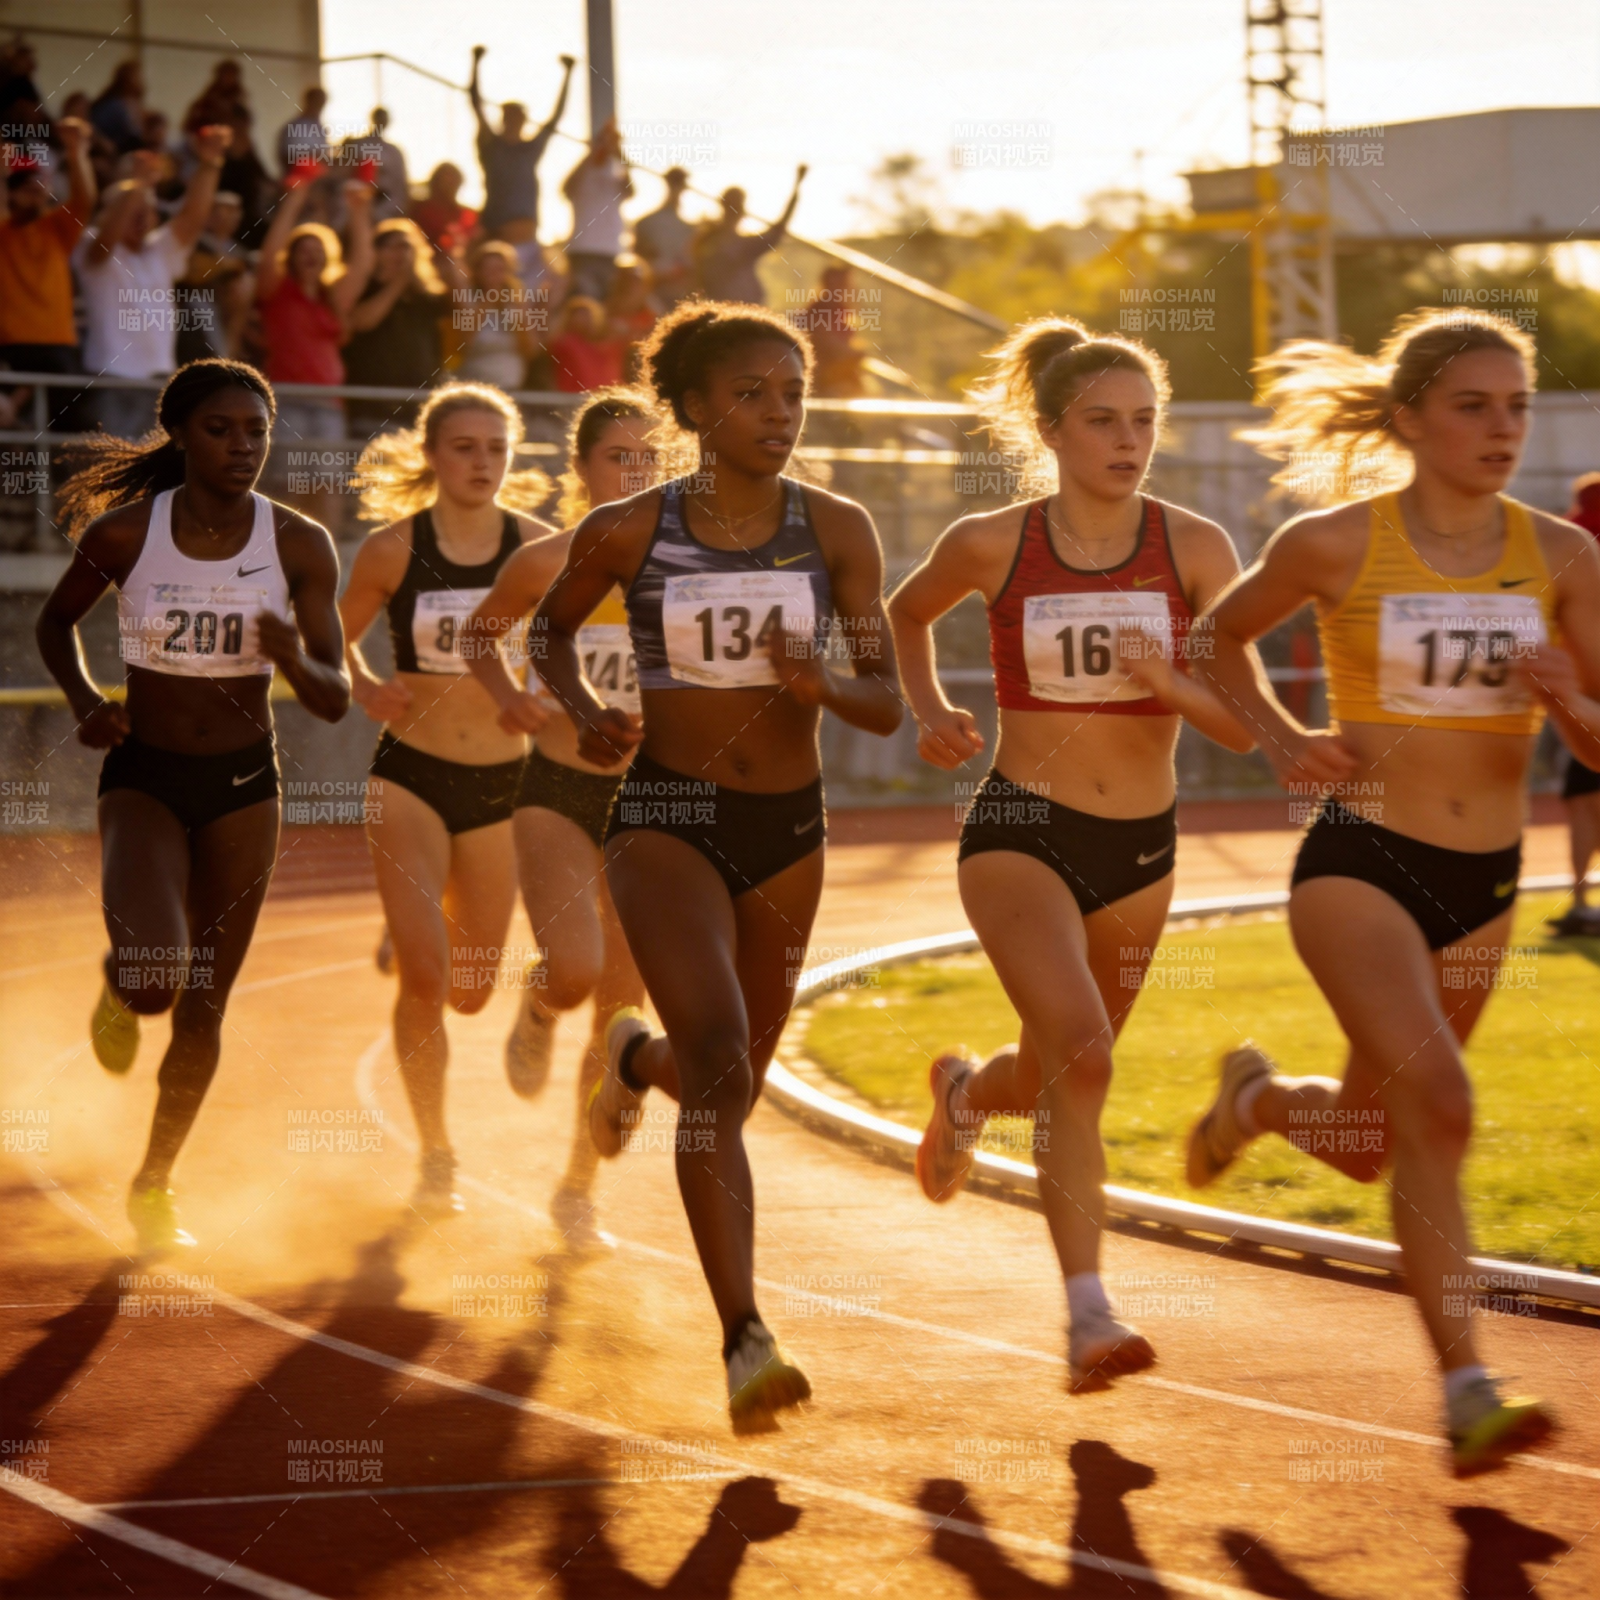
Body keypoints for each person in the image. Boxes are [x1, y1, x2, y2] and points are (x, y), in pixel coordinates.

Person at [1186, 308, 1600, 1477]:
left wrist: (1570, 699)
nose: (1502, 427)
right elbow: (1217, 640)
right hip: (1360, 863)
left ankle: (1258, 1101)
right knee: (1448, 1108)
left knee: (1372, 1140)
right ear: (1411, 416)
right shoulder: (1334, 544)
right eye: (1473, 404)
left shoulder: (1566, 556)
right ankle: (1467, 1387)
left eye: (1516, 404)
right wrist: (1276, 736)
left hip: (1488, 881)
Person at [533, 301, 904, 1431]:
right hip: (664, 815)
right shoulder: (631, 528)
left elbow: (884, 702)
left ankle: (629, 1059)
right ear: (691, 407)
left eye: (793, 393)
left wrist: (820, 686)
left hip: (787, 828)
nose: (779, 413)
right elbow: (548, 631)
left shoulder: (838, 529)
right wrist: (588, 705)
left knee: (723, 1087)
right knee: (719, 1055)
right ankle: (744, 1333)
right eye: (751, 393)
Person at [889, 318, 1254, 1391]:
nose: (1127, 439)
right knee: (1085, 1056)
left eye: (1144, 421)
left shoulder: (1194, 547)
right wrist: (930, 705)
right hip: (1020, 829)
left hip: (1142, 847)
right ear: (1050, 429)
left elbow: (1239, 725)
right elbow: (904, 615)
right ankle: (1088, 1315)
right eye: (1101, 420)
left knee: (1056, 1069)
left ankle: (964, 1095)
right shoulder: (991, 542)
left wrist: (1171, 679)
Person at [34, 358, 349, 1252]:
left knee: (204, 1005)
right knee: (152, 980)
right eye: (221, 429)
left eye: (257, 430)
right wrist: (88, 702)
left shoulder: (298, 544)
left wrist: (291, 655)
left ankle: (154, 1184)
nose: (243, 447)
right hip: (145, 777)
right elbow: (52, 624)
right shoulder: (129, 535)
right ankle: (118, 980)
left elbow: (334, 697)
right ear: (180, 434)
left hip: (246, 786)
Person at [339, 383, 557, 1215]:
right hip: (412, 773)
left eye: (497, 449)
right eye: (465, 447)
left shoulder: (539, 550)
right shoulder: (396, 550)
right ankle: (436, 1155)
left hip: (504, 782)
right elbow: (332, 630)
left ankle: (414, 929)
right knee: (428, 979)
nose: (482, 463)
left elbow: (576, 643)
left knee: (470, 987)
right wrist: (363, 683)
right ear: (431, 456)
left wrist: (549, 699)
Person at [466, 389, 658, 1247]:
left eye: (652, 458)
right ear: (580, 470)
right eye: (620, 456)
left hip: (658, 806)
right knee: (576, 969)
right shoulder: (546, 561)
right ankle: (540, 1005)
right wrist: (511, 700)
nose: (636, 472)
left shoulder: (688, 565)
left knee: (622, 1011)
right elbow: (481, 636)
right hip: (559, 791)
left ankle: (577, 1192)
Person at [75, 125, 230, 440]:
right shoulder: (90, 245)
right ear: (110, 212)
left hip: (159, 383)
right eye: (133, 208)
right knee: (111, 477)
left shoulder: (160, 250)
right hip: (110, 380)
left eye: (148, 209)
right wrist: (139, 185)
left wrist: (210, 163)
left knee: (158, 479)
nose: (142, 215)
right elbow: (104, 243)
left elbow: (193, 216)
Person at [255, 170, 376, 443]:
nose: (312, 255)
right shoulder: (277, 290)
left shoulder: (332, 297)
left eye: (318, 250)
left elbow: (363, 262)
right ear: (292, 257)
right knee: (285, 482)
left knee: (327, 482)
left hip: (328, 401)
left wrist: (359, 211)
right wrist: (296, 197)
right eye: (304, 250)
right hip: (287, 398)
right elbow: (270, 253)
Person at [0, 116, 95, 426]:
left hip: (57, 344)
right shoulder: (4, 231)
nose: (36, 191)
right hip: (12, 346)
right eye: (25, 186)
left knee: (67, 426)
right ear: (11, 193)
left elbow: (85, 199)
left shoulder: (56, 229)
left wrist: (76, 151)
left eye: (39, 185)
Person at [343, 217, 461, 434]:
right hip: (372, 408)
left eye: (407, 246)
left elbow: (464, 315)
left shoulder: (425, 297)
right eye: (393, 247)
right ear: (375, 252)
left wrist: (451, 256)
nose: (401, 254)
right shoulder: (363, 287)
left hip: (419, 408)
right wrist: (399, 282)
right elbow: (362, 322)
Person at [1549, 471, 1600, 935]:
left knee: (1584, 802)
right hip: (1583, 688)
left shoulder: (1572, 538)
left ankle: (1584, 900)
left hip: (1580, 686)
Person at [469, 45, 575, 243]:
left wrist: (568, 74)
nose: (515, 121)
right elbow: (476, 104)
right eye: (510, 116)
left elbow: (555, 117)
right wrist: (475, 62)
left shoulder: (531, 149)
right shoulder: (491, 146)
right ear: (503, 118)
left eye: (519, 117)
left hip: (527, 229)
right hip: (496, 228)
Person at [695, 169, 806, 306]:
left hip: (743, 308)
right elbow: (778, 231)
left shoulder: (712, 240)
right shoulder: (711, 241)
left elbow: (777, 231)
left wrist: (797, 186)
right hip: (728, 309)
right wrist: (798, 184)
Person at [173, 190, 251, 365]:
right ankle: (220, 361)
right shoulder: (194, 241)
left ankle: (228, 361)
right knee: (201, 308)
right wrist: (225, 266)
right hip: (194, 308)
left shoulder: (238, 250)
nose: (228, 215)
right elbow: (192, 272)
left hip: (228, 312)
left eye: (234, 210)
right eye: (222, 208)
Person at [454, 240, 542, 390]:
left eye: (500, 269)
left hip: (511, 384)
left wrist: (519, 318)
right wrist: (487, 301)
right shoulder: (466, 299)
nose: (493, 275)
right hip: (473, 383)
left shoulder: (517, 302)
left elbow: (531, 350)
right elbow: (463, 343)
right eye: (487, 269)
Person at [561, 119, 632, 302]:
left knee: (605, 303)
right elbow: (567, 188)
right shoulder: (584, 172)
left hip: (610, 251)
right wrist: (591, 153)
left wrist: (619, 152)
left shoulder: (616, 173)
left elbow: (630, 190)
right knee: (584, 300)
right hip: (582, 250)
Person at [798, 264, 868, 399]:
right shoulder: (823, 308)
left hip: (834, 372)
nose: (849, 288)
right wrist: (855, 354)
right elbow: (827, 342)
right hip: (825, 375)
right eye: (845, 284)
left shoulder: (838, 308)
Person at [632, 166, 695, 310]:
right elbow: (639, 260)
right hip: (651, 293)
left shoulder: (689, 229)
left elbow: (689, 267)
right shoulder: (646, 223)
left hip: (677, 293)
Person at [341, 107, 410, 222]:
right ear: (373, 119)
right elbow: (343, 172)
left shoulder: (394, 152)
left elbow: (401, 184)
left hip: (386, 207)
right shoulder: (357, 145)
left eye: (384, 120)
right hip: (357, 203)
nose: (381, 122)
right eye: (379, 119)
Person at [547, 296, 624, 393]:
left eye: (588, 314)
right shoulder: (566, 342)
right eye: (580, 315)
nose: (586, 319)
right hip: (573, 398)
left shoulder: (611, 346)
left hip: (605, 397)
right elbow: (552, 340)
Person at [412, 162, 477, 255]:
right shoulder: (420, 210)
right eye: (445, 181)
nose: (449, 185)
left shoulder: (468, 215)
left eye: (454, 181)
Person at [90, 61, 145, 156]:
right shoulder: (113, 105)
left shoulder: (135, 104)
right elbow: (94, 128)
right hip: (111, 154)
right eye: (136, 76)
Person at [277, 85, 330, 176]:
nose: (319, 106)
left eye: (322, 102)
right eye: (316, 102)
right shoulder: (295, 126)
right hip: (301, 178)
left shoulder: (319, 127)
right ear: (308, 102)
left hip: (318, 176)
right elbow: (289, 158)